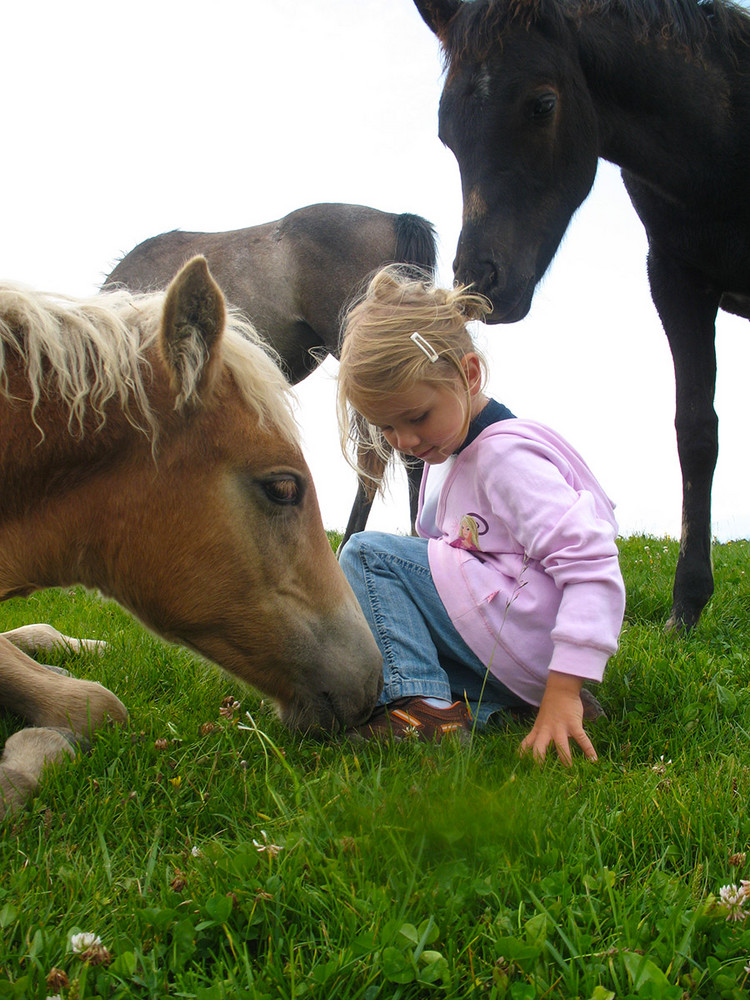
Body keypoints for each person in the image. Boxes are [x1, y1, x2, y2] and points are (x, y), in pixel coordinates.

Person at [336, 266, 626, 765]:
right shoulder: (446, 451)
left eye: (416, 417)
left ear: (468, 374)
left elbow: (593, 565)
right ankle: (500, 706)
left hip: (529, 638)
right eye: (386, 426)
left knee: (366, 557)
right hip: (514, 647)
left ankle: (422, 711)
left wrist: (562, 685)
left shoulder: (503, 457)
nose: (403, 441)